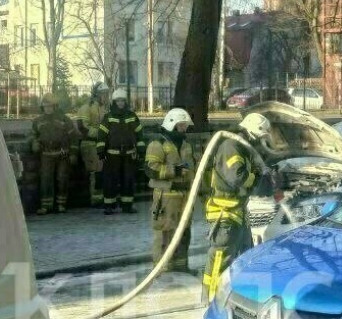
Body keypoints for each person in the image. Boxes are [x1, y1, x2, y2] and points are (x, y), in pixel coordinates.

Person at [202, 113, 272, 301]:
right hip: (225, 214)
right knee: (220, 257)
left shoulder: (243, 147)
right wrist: (258, 178)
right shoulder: (231, 147)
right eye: (261, 136)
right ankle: (212, 298)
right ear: (254, 130)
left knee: (245, 256)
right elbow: (236, 178)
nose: (261, 141)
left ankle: (238, 295)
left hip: (238, 212)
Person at [145, 108, 196, 273]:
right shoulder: (157, 144)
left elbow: (194, 168)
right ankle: (162, 267)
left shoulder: (186, 144)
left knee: (184, 232)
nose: (184, 128)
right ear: (172, 124)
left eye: (185, 125)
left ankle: (181, 266)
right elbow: (150, 169)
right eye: (181, 125)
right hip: (166, 196)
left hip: (185, 196)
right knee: (165, 232)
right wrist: (174, 171)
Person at [96, 89, 146, 215]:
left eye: (122, 100)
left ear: (125, 101)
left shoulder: (132, 116)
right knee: (110, 181)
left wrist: (141, 149)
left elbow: (139, 134)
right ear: (114, 102)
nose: (120, 103)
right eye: (118, 101)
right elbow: (101, 135)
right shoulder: (108, 117)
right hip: (112, 155)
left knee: (128, 180)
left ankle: (127, 205)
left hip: (129, 154)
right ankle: (109, 205)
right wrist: (101, 151)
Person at [31, 93, 80, 215]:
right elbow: (33, 135)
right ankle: (46, 205)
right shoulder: (38, 121)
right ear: (42, 107)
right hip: (46, 154)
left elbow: (74, 137)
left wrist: (73, 153)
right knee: (45, 179)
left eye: (50, 106)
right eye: (45, 106)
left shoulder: (64, 120)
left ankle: (61, 204)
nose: (47, 108)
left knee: (62, 178)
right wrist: (34, 142)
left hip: (62, 154)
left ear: (55, 106)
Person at [76, 82, 110, 208]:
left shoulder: (103, 109)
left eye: (107, 94)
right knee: (95, 173)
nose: (106, 97)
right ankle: (95, 200)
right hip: (89, 144)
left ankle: (99, 198)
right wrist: (101, 133)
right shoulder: (86, 108)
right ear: (97, 94)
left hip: (100, 145)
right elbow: (83, 127)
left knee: (100, 172)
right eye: (104, 94)